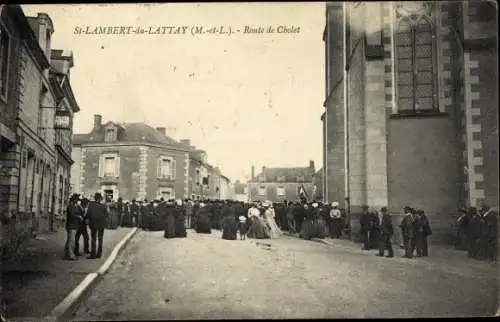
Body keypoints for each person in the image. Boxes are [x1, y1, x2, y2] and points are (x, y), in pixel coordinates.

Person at [86, 193, 109, 259]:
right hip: (101, 224)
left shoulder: (91, 205)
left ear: (95, 198)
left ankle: (93, 254)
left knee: (93, 239)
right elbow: (107, 215)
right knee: (100, 239)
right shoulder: (103, 206)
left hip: (93, 224)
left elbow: (87, 215)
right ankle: (99, 254)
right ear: (99, 199)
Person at [64, 193, 84, 260]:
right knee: (71, 241)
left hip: (74, 225)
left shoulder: (76, 206)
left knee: (70, 240)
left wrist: (79, 206)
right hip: (71, 225)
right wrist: (79, 217)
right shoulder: (71, 206)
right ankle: (71, 256)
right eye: (77, 200)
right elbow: (72, 215)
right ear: (74, 199)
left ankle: (67, 254)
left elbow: (81, 211)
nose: (78, 201)